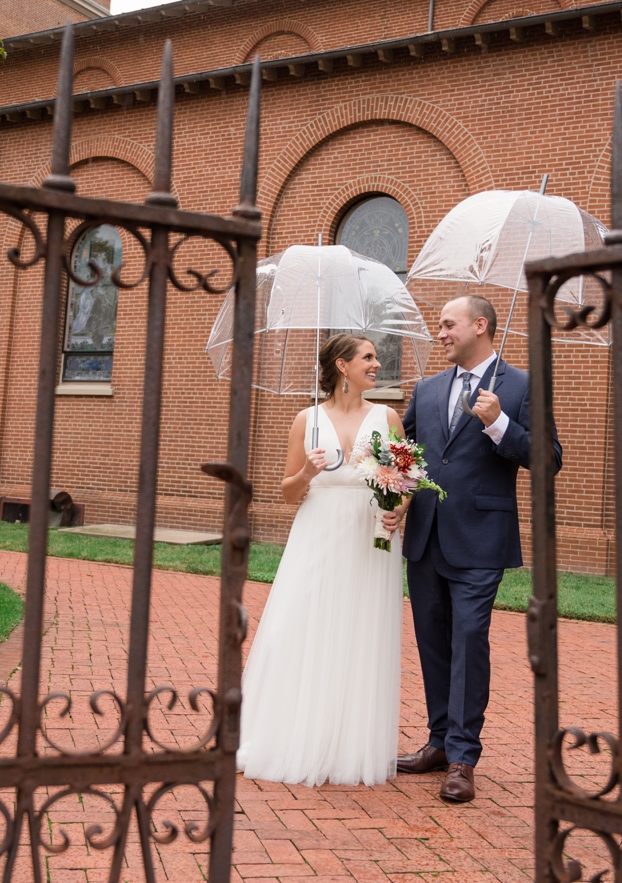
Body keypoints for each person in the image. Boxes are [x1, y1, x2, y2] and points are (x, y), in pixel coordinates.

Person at [387, 295, 561, 803]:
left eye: (447, 324)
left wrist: (500, 423)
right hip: (425, 537)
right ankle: (438, 742)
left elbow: (549, 458)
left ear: (479, 325)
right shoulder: (427, 388)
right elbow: (409, 454)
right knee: (433, 642)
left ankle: (463, 756)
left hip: (481, 540)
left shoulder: (522, 386)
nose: (439, 333)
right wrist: (394, 494)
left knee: (468, 640)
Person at [236, 334, 406, 787]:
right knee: (302, 623)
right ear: (342, 365)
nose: (376, 363)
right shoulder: (305, 420)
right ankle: (291, 732)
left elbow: (406, 481)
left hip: (370, 538)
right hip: (317, 533)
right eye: (368, 357)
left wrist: (397, 510)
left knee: (360, 630)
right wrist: (308, 471)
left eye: (375, 357)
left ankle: (347, 745)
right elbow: (290, 493)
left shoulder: (387, 417)